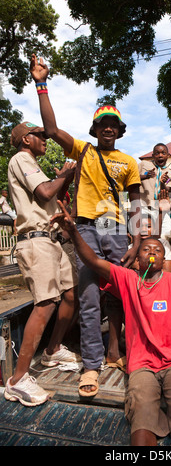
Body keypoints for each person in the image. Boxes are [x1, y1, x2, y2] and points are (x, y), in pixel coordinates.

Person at [50, 199, 171, 446]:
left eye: (157, 249)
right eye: (146, 249)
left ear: (165, 258)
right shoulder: (128, 279)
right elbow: (92, 261)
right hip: (141, 368)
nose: (152, 251)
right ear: (137, 258)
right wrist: (75, 231)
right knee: (141, 421)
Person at [30, 54, 141, 397]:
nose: (108, 127)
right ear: (95, 130)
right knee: (90, 297)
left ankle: (119, 352)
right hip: (87, 228)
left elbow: (136, 204)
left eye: (113, 123)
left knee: (123, 296)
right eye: (102, 123)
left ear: (120, 131)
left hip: (117, 229)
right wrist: (41, 83)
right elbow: (50, 129)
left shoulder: (129, 162)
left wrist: (137, 242)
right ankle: (92, 365)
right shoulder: (83, 151)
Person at [4, 122, 80, 407]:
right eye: (40, 136)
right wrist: (66, 175)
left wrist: (64, 179)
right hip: (36, 240)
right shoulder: (21, 159)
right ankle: (18, 380)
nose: (46, 140)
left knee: (71, 294)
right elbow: (46, 193)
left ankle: (51, 350)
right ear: (26, 139)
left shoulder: (35, 165)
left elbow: (53, 195)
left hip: (53, 240)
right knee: (46, 302)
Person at [139, 143, 171, 239]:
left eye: (163, 153)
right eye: (157, 153)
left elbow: (169, 190)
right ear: (153, 156)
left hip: (161, 210)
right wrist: (145, 176)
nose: (160, 155)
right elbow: (131, 179)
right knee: (145, 237)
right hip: (144, 208)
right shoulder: (143, 165)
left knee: (167, 235)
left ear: (168, 155)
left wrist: (162, 183)